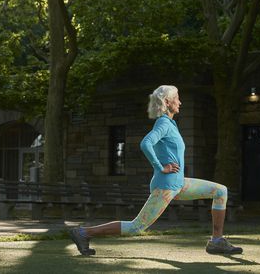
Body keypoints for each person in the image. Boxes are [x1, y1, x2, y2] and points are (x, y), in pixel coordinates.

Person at [69, 85, 243, 256]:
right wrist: (160, 167)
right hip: (166, 185)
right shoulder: (163, 123)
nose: (180, 102)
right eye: (177, 98)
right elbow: (146, 143)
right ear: (167, 102)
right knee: (136, 226)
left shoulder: (171, 124)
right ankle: (84, 233)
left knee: (220, 191)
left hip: (179, 184)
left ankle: (216, 241)